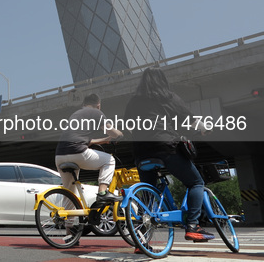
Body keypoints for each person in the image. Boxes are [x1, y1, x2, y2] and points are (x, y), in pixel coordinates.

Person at [124, 67, 214, 241]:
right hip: (165, 148)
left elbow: (128, 125)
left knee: (147, 198)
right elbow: (189, 119)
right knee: (196, 182)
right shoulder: (167, 96)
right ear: (162, 80)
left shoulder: (133, 101)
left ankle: (141, 240)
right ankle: (193, 225)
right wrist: (204, 128)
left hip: (141, 153)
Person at [55, 93, 123, 202]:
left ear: (84, 104)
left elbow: (83, 140)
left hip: (59, 156)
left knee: (70, 193)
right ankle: (103, 192)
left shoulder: (75, 114)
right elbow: (111, 131)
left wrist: (105, 140)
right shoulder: (96, 112)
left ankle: (67, 218)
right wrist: (119, 134)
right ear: (98, 105)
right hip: (77, 153)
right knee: (109, 160)